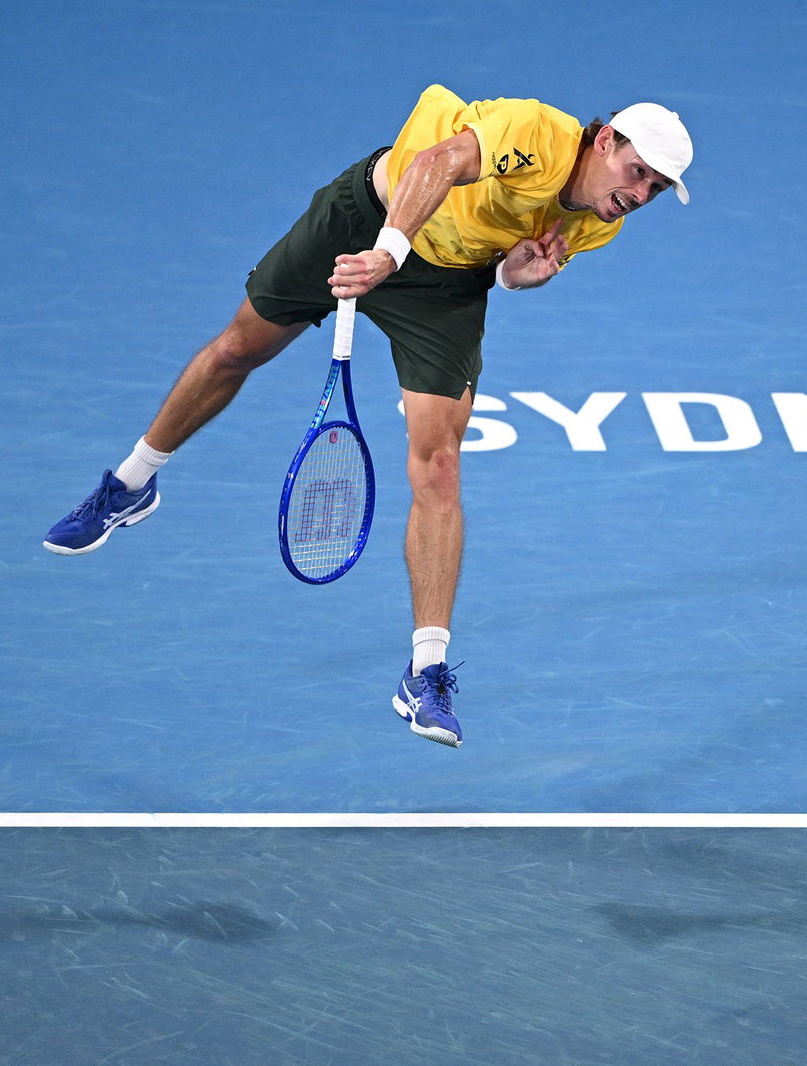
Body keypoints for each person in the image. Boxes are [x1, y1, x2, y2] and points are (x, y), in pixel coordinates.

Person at [42, 84, 693, 749]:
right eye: (638, 172)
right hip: (368, 220)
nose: (640, 194)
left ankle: (426, 671)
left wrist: (509, 279)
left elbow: (494, 245)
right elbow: (437, 165)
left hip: (446, 285)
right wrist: (388, 252)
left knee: (439, 464)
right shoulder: (536, 134)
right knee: (237, 348)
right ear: (606, 140)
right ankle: (131, 483)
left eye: (659, 188)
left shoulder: (599, 223)